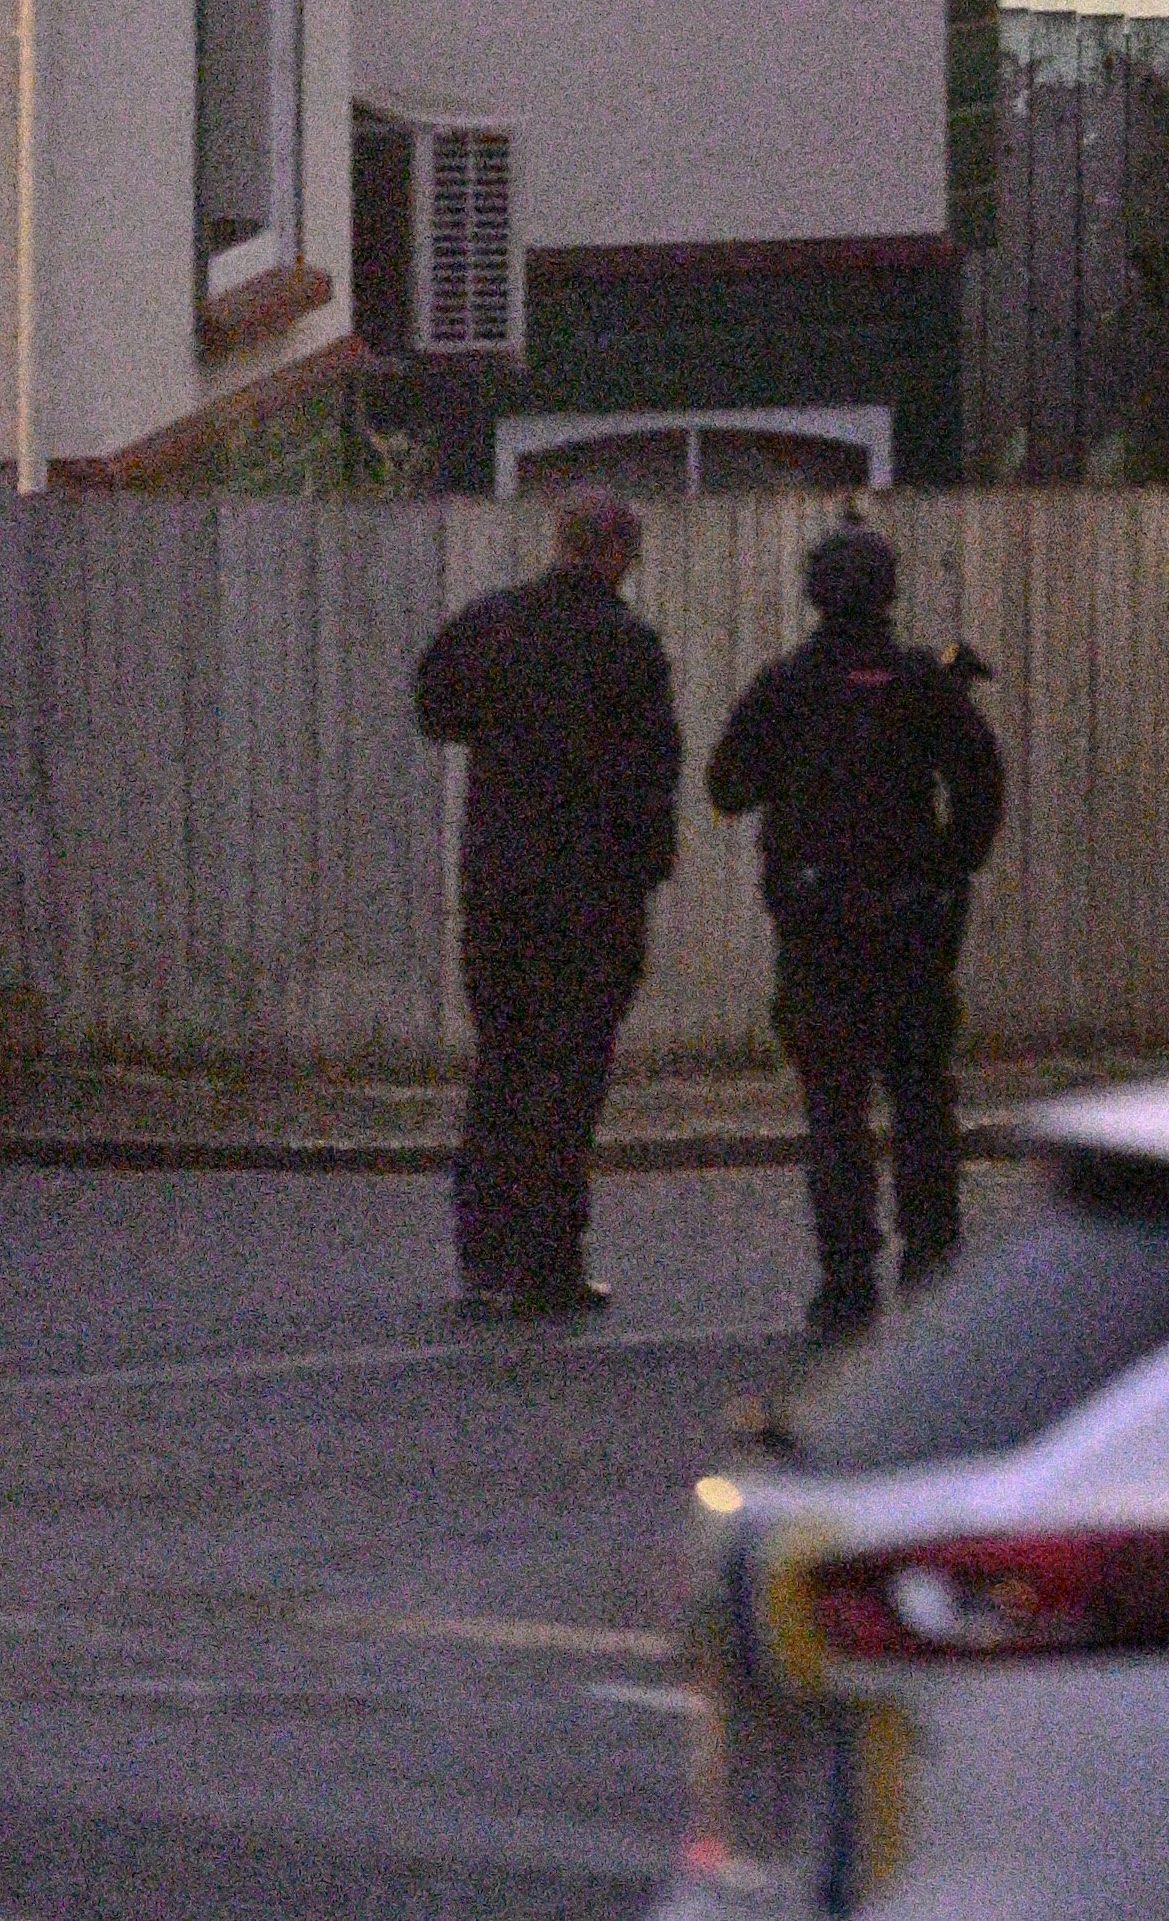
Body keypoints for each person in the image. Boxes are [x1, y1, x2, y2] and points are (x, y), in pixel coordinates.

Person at [707, 526, 1005, 1341]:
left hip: (821, 927)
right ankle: (932, 1273)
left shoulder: (786, 687)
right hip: (911, 923)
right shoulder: (925, 683)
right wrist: (950, 867)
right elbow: (981, 781)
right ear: (888, 591)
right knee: (921, 1102)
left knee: (835, 1113)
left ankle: (846, 1286)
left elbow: (726, 787)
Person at [413, 493, 682, 1321]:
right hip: (592, 898)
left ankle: (484, 1252)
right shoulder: (629, 648)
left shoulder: (492, 625)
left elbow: (435, 708)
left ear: (560, 543)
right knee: (568, 1083)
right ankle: (550, 1261)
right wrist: (645, 872)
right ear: (617, 554)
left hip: (502, 889)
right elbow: (653, 778)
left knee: (503, 1064)